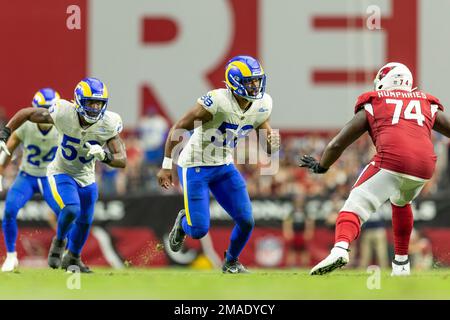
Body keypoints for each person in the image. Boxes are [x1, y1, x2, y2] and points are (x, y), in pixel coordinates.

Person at [299, 62, 450, 276]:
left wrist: (322, 166)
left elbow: (337, 143)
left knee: (355, 205)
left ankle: (340, 249)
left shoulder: (375, 102)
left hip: (392, 160)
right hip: (424, 167)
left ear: (384, 81)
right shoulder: (426, 102)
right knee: (401, 201)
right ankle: (401, 265)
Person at [157, 55, 280, 273]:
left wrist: (273, 143)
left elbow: (267, 144)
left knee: (246, 221)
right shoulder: (217, 102)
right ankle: (184, 221)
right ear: (234, 82)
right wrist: (167, 165)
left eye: (257, 80)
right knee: (198, 230)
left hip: (223, 166)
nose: (255, 85)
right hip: (195, 165)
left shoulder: (262, 104)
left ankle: (231, 262)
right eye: (250, 81)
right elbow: (179, 127)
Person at [0, 78, 127, 272]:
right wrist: (5, 131)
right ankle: (58, 242)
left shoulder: (109, 123)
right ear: (78, 101)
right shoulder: (62, 113)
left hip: (87, 176)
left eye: (98, 103)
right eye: (90, 102)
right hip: (61, 172)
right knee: (71, 209)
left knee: (85, 220)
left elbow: (122, 159)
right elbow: (26, 113)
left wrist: (104, 155)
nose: (94, 108)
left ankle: (73, 258)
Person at [0, 88, 61, 272]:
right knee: (9, 210)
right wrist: (0, 170)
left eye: (49, 110)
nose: (44, 115)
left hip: (51, 177)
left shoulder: (64, 126)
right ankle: (11, 256)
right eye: (41, 110)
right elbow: (8, 150)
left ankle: (68, 252)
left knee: (67, 211)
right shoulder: (26, 125)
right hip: (27, 176)